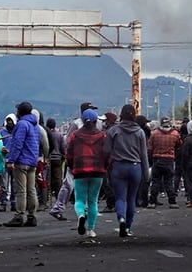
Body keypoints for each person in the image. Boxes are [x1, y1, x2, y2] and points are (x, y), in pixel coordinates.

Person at [104, 103, 151, 240]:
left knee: (120, 197)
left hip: (118, 167)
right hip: (135, 167)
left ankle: (121, 219)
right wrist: (146, 175)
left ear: (121, 115)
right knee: (131, 199)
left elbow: (106, 150)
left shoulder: (114, 130)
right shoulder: (140, 132)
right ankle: (128, 227)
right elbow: (144, 155)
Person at [64, 108, 110, 243]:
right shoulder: (102, 136)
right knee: (93, 201)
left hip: (80, 171)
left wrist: (72, 167)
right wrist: (105, 167)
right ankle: (91, 229)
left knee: (79, 200)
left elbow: (69, 153)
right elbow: (107, 153)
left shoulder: (75, 136)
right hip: (97, 171)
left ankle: (80, 215)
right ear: (96, 121)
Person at [3, 103, 43, 227]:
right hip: (32, 160)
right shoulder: (35, 126)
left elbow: (18, 143)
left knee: (21, 190)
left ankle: (19, 215)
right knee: (31, 189)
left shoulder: (21, 124)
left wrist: (11, 159)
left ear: (20, 112)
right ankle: (32, 216)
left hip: (21, 161)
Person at [147, 117, 181, 206]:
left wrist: (151, 158)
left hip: (157, 159)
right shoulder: (175, 134)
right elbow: (179, 145)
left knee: (156, 181)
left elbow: (150, 148)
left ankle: (152, 202)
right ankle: (172, 202)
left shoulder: (154, 134)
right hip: (169, 160)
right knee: (169, 182)